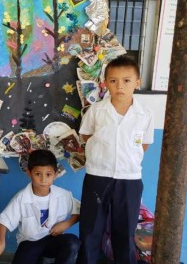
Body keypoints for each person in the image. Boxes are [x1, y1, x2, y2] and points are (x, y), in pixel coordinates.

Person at [78, 55, 154, 263]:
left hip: (129, 180)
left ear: (137, 83)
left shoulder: (145, 114)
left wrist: (125, 159)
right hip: (97, 177)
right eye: (113, 80)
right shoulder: (96, 111)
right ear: (105, 83)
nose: (120, 85)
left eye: (127, 80)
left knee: (125, 233)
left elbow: (144, 144)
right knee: (91, 230)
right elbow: (86, 136)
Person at [0, 149, 81, 264]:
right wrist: (1, 243)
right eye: (38, 174)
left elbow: (79, 210)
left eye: (48, 174)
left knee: (72, 242)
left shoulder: (63, 195)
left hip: (53, 241)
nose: (43, 180)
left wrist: (67, 223)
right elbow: (4, 221)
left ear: (55, 174)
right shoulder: (21, 198)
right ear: (29, 173)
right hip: (30, 243)